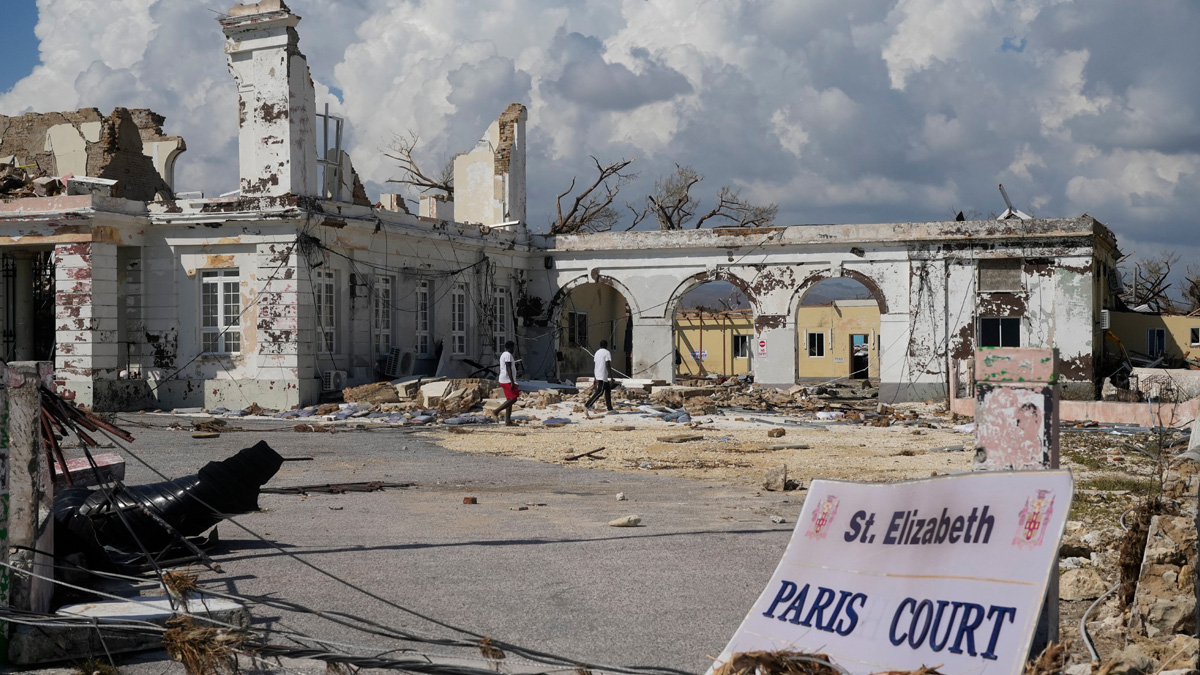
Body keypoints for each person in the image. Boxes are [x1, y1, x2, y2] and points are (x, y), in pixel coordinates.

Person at [495, 340, 519, 426]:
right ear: (511, 347)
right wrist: (512, 382)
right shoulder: (508, 355)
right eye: (513, 347)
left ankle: (508, 420)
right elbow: (508, 368)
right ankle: (496, 411)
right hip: (507, 380)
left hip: (505, 379)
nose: (514, 349)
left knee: (509, 400)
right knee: (514, 398)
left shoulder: (504, 354)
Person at [585, 340, 613, 411]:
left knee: (608, 391)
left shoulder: (597, 353)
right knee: (600, 392)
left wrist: (595, 377)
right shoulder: (607, 352)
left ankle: (610, 408)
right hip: (603, 375)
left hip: (598, 373)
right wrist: (611, 377)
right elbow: (608, 365)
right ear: (606, 345)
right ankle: (588, 404)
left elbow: (596, 365)